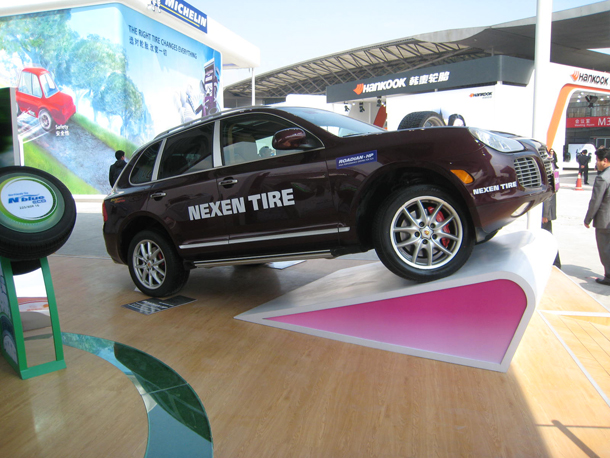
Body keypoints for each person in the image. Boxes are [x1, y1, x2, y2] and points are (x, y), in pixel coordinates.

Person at [584, 147, 610, 285]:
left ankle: (609, 277)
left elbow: (595, 201)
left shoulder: (602, 178)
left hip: (605, 220)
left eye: (597, 160)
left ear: (604, 161)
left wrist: (588, 218)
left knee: (605, 249)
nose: (596, 163)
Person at [542, 193, 561, 268]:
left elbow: (547, 193)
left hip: (543, 212)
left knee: (547, 237)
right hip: (543, 211)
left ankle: (556, 263)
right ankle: (555, 263)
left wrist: (545, 214)